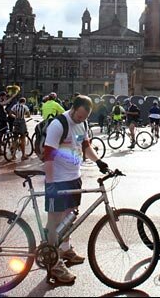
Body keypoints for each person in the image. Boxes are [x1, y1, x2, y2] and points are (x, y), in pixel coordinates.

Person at [43, 94, 108, 283]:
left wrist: (99, 161)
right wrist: (50, 183)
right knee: (55, 221)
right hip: (58, 179)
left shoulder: (83, 124)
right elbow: (48, 155)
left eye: (85, 117)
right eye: (79, 116)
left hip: (74, 177)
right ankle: (54, 264)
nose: (81, 119)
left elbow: (85, 146)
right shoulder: (58, 124)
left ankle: (65, 250)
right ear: (73, 108)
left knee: (70, 217)